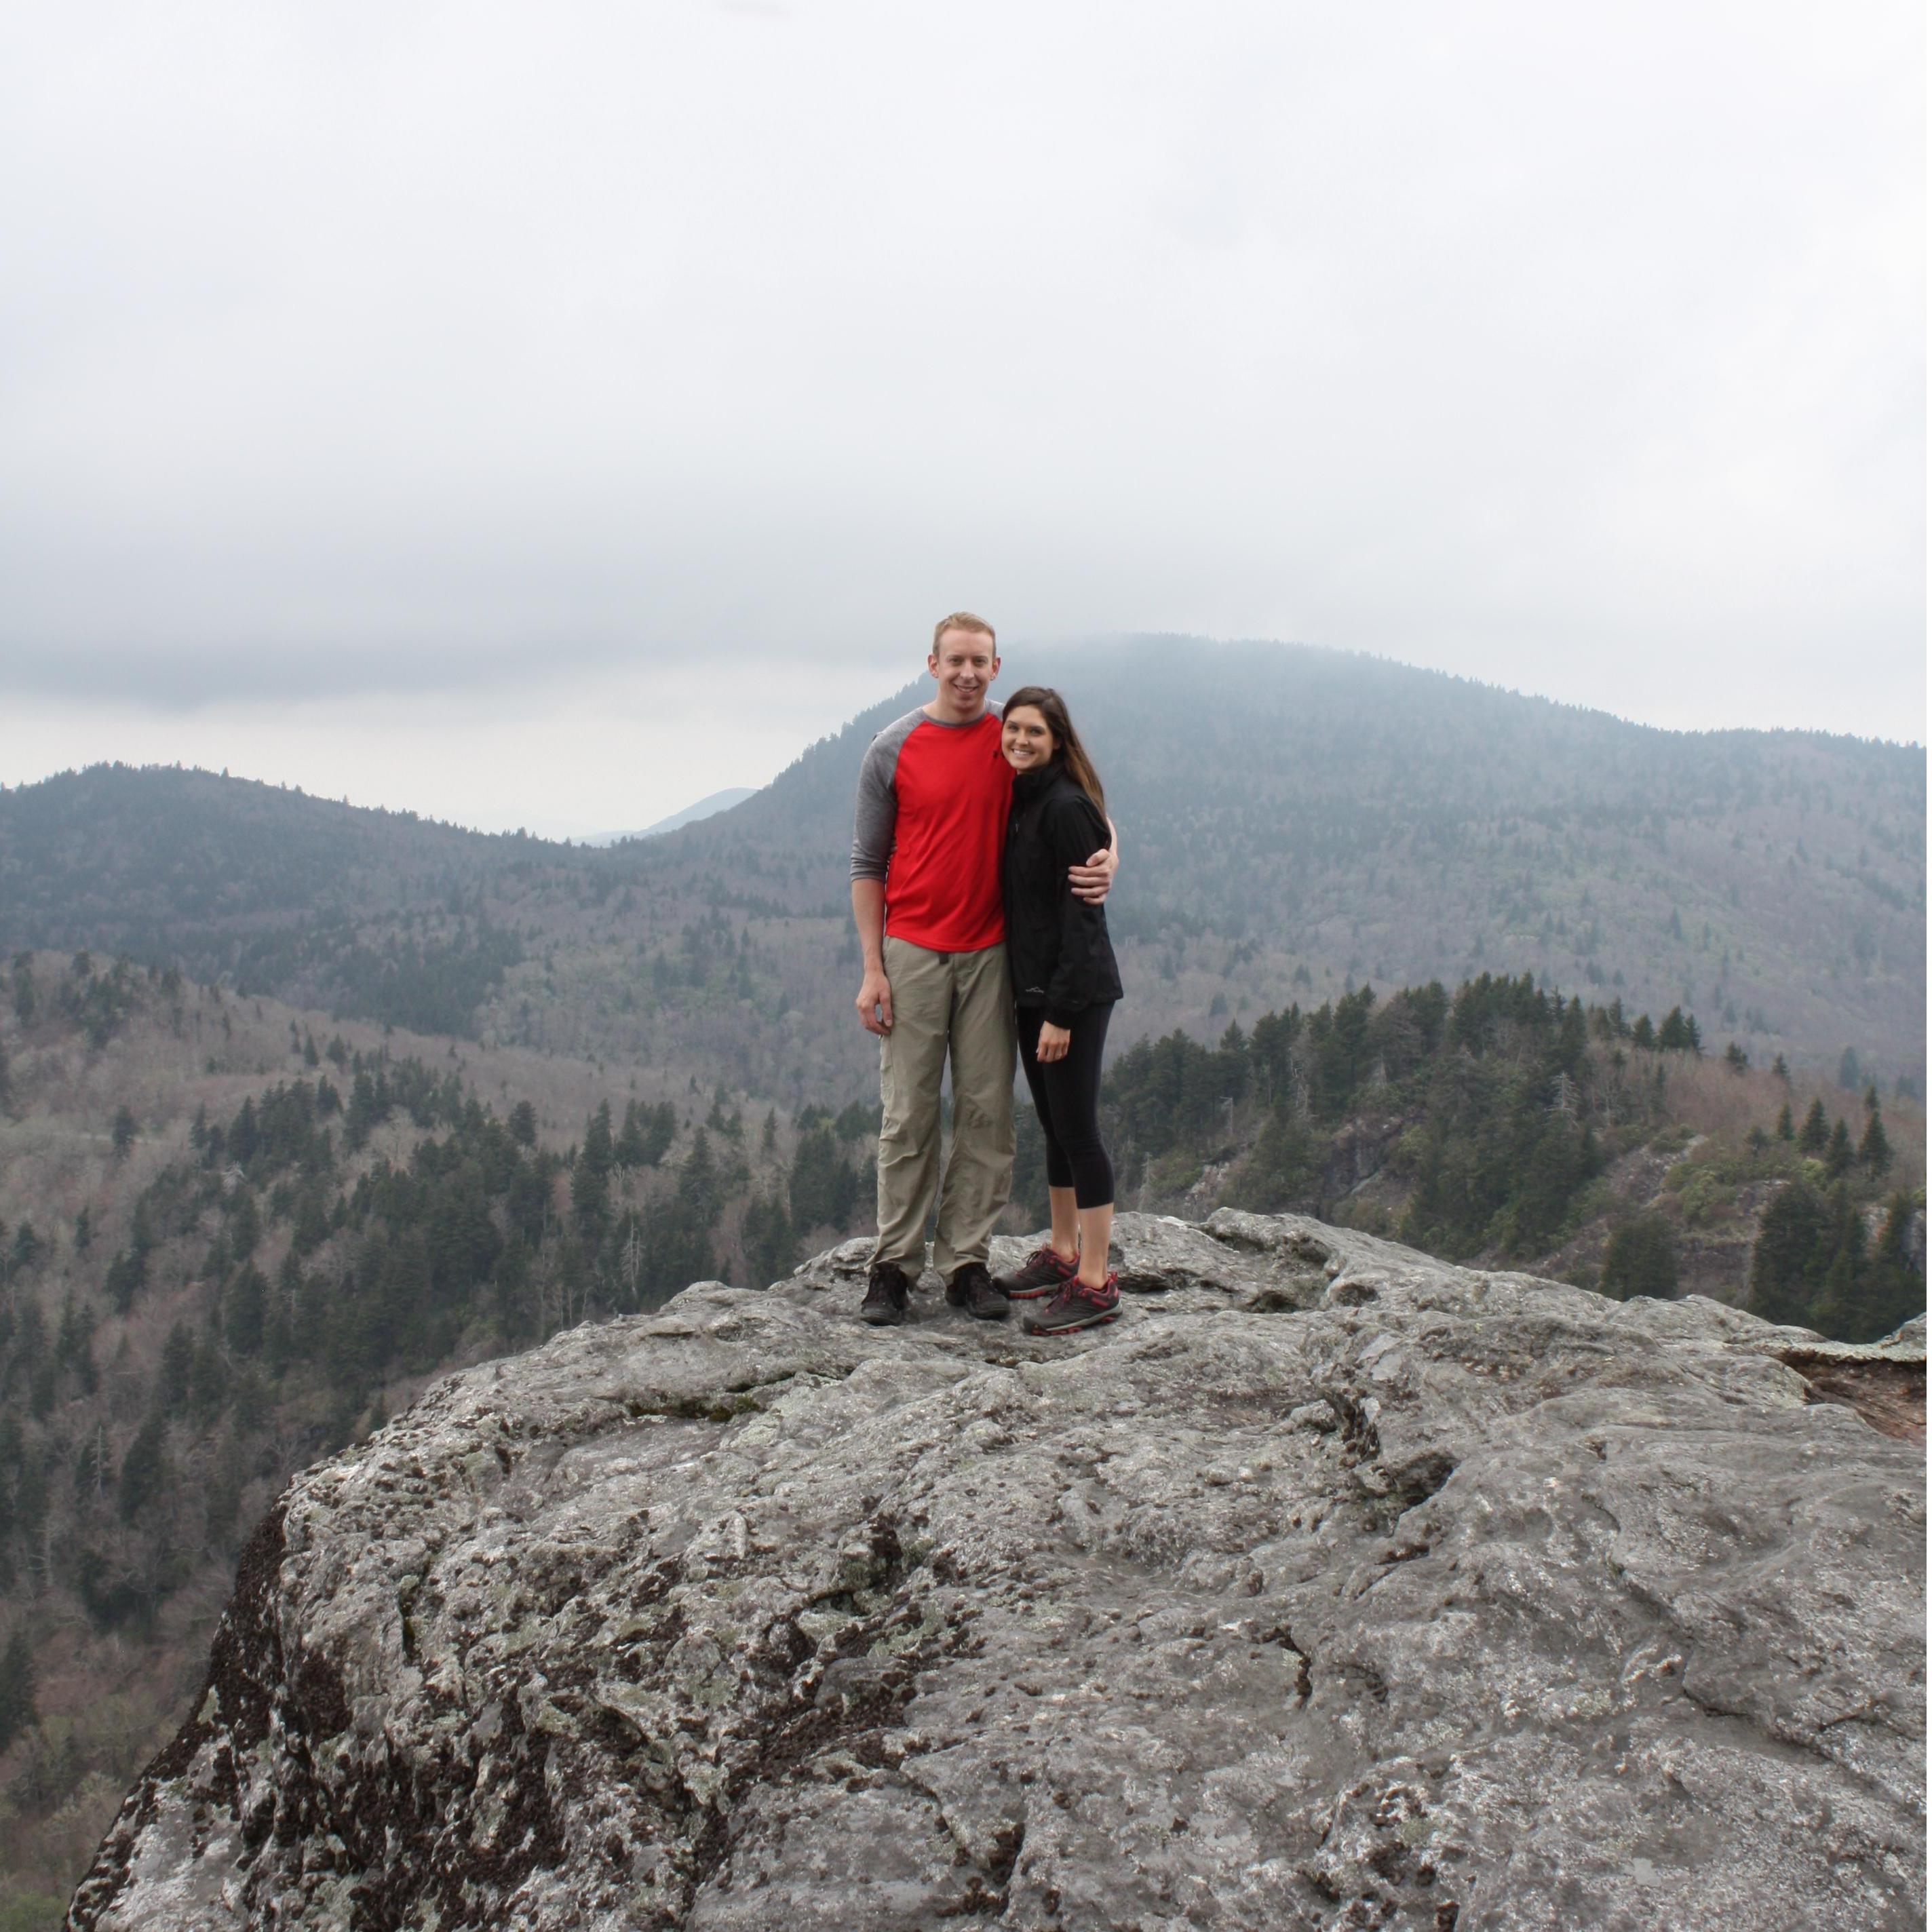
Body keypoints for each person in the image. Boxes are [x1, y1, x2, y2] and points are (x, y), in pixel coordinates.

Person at [849, 615, 1115, 1326]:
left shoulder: (1014, 740)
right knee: (907, 1115)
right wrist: (872, 968)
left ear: (996, 667)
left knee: (986, 1114)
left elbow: (1083, 798)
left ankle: (965, 1261)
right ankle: (894, 1267)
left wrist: (1110, 853)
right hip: (910, 950)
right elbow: (867, 865)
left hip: (993, 955)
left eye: (979, 662)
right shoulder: (891, 748)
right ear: (931, 663)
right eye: (954, 661)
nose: (967, 674)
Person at [989, 687, 1124, 1334]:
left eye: (1034, 732)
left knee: (1078, 1131)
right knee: (1055, 1127)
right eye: (1013, 728)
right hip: (1034, 992)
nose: (1019, 740)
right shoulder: (1024, 796)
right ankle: (1063, 1251)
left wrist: (1063, 1014)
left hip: (1072, 996)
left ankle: (1096, 1280)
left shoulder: (1065, 806)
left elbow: (1085, 922)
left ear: (1058, 740)